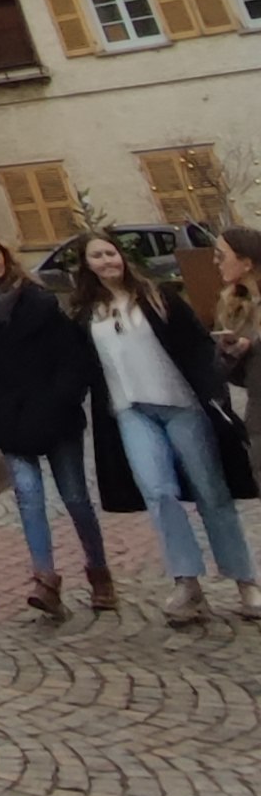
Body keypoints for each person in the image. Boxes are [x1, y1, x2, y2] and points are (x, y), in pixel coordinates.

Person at [72, 230, 261, 626]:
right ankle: (187, 582)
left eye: (111, 253)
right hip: (131, 411)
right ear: (86, 265)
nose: (107, 261)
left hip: (181, 405)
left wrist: (214, 390)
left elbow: (198, 346)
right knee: (158, 493)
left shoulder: (158, 297)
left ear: (122, 256)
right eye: (97, 256)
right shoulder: (87, 313)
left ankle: (245, 581)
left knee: (211, 492)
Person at [0, 228, 111, 618]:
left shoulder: (37, 299)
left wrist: (62, 398)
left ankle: (99, 572)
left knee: (75, 497)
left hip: (55, 413)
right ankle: (45, 580)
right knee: (28, 494)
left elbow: (71, 356)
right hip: (8, 419)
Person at [213, 224, 261, 490]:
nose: (215, 262)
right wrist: (232, 353)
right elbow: (238, 378)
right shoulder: (233, 306)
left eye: (221, 255)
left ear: (246, 262)